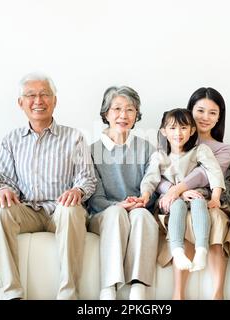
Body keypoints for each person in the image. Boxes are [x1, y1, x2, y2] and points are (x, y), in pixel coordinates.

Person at [0, 73, 96, 300]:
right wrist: (5, 190)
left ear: (54, 100)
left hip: (61, 211)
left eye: (45, 94)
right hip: (27, 210)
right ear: (21, 103)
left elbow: (87, 178)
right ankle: (11, 294)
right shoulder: (11, 140)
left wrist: (77, 190)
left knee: (71, 209)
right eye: (31, 95)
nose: (39, 100)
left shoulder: (74, 137)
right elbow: (6, 179)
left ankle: (68, 295)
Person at [155, 88, 230, 300]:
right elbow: (158, 177)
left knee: (215, 219)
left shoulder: (224, 149)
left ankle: (218, 294)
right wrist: (173, 194)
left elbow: (205, 174)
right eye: (200, 110)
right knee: (184, 217)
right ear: (190, 111)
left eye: (212, 113)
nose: (205, 117)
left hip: (209, 201)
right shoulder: (174, 139)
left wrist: (178, 189)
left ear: (219, 117)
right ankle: (178, 294)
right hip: (177, 201)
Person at [140, 108, 226, 288]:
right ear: (163, 131)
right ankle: (177, 252)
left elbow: (214, 171)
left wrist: (216, 197)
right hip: (170, 201)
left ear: (192, 130)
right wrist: (145, 196)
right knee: (177, 204)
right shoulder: (159, 156)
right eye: (172, 128)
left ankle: (201, 250)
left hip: (197, 195)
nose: (178, 133)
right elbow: (151, 179)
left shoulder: (200, 150)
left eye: (183, 128)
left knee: (198, 201)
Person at [88, 86, 159, 300]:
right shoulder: (91, 151)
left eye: (130, 109)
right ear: (105, 113)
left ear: (136, 115)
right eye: (117, 108)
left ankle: (138, 286)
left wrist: (144, 197)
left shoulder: (147, 148)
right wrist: (119, 206)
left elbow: (151, 179)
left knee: (142, 215)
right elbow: (95, 197)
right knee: (116, 214)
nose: (123, 115)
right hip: (104, 214)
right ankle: (109, 287)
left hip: (137, 209)